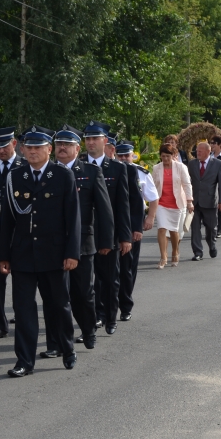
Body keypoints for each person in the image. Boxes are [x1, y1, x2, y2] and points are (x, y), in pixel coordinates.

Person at [0, 126, 81, 376]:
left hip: (54, 254)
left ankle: (67, 348)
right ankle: (24, 361)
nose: (32, 151)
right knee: (23, 309)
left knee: (58, 305)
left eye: (38, 147)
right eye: (29, 147)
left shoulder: (63, 175)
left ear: (49, 149)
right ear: (23, 149)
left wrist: (72, 253)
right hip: (23, 254)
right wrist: (4, 255)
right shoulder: (15, 176)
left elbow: (73, 218)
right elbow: (7, 220)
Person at [52, 125, 112, 350]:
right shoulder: (48, 172)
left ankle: (88, 330)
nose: (62, 148)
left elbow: (104, 210)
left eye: (67, 145)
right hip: (53, 242)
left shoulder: (90, 172)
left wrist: (106, 241)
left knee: (83, 293)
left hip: (82, 242)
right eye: (59, 144)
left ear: (78, 149)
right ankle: (58, 341)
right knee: (56, 295)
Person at [82, 121, 131, 335]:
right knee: (86, 282)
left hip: (108, 234)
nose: (91, 142)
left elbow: (123, 205)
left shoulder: (118, 168)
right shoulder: (79, 166)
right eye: (88, 139)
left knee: (110, 280)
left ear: (105, 141)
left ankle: (111, 317)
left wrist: (125, 237)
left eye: (95, 138)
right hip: (84, 234)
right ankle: (96, 316)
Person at [0, 127, 27, 339]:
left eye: (4, 146)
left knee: (21, 282)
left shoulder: (25, 167)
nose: (0, 151)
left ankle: (23, 319)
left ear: (14, 144)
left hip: (19, 234)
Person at [114, 140, 152, 321]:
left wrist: (139, 226)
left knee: (127, 268)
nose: (123, 158)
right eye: (119, 155)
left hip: (129, 227)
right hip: (109, 227)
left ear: (132, 155)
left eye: (126, 155)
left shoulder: (137, 172)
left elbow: (138, 202)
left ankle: (125, 305)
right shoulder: (107, 169)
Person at [151, 144, 192, 267]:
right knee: (162, 229)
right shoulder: (156, 168)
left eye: (168, 156)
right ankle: (163, 257)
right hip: (161, 204)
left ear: (173, 155)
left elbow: (187, 184)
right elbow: (153, 186)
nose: (165, 159)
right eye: (163, 156)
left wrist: (189, 201)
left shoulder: (181, 167)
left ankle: (175, 251)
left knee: (174, 231)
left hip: (176, 204)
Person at [187, 142, 221, 261]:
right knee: (195, 228)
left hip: (210, 201)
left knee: (211, 228)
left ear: (208, 151)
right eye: (197, 151)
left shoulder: (219, 164)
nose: (197, 153)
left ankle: (212, 245)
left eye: (200, 151)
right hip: (194, 201)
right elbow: (187, 182)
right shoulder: (192, 164)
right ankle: (198, 252)